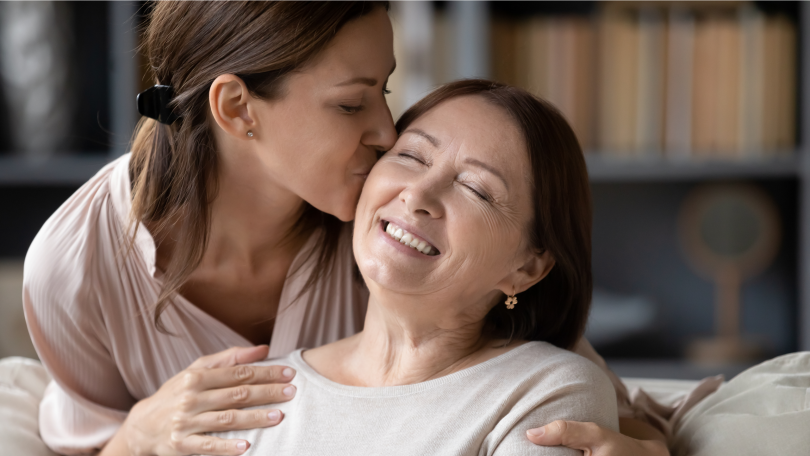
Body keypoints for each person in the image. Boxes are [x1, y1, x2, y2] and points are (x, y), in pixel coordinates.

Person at [21, 2, 706, 456]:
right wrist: (137, 436)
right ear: (237, 109)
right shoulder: (76, 266)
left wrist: (639, 440)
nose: (386, 131)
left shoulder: (388, 232)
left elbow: (586, 398)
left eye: (384, 90)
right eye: (352, 103)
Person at [211, 78, 620, 455]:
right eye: (410, 156)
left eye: (476, 189)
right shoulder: (253, 394)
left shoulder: (547, 391)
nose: (419, 194)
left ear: (527, 268)